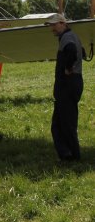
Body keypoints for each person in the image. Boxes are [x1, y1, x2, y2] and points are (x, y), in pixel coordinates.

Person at [45, 13, 84, 161]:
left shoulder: (67, 38)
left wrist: (68, 68)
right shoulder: (72, 35)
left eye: (54, 25)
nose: (52, 28)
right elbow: (81, 51)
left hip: (68, 84)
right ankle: (67, 154)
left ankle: (73, 156)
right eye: (51, 25)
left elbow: (72, 51)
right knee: (59, 123)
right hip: (72, 83)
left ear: (63, 23)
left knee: (66, 123)